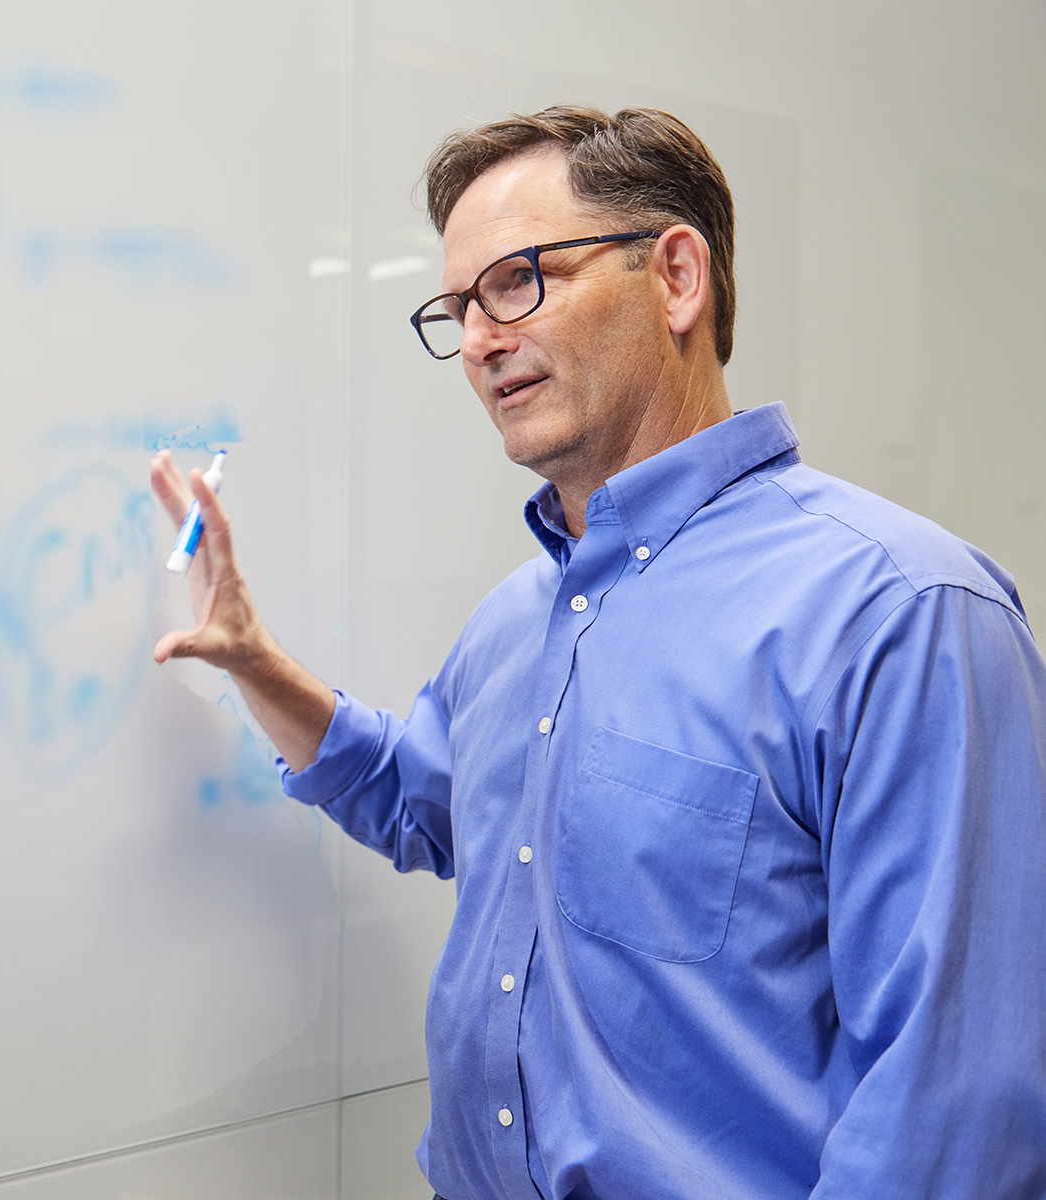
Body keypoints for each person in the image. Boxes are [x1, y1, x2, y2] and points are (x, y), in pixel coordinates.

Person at [151, 106, 1046, 1198]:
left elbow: (949, 1123)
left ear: (677, 277)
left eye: (520, 280)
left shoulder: (902, 615)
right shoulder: (519, 617)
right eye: (459, 307)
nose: (479, 338)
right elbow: (420, 801)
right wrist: (252, 658)